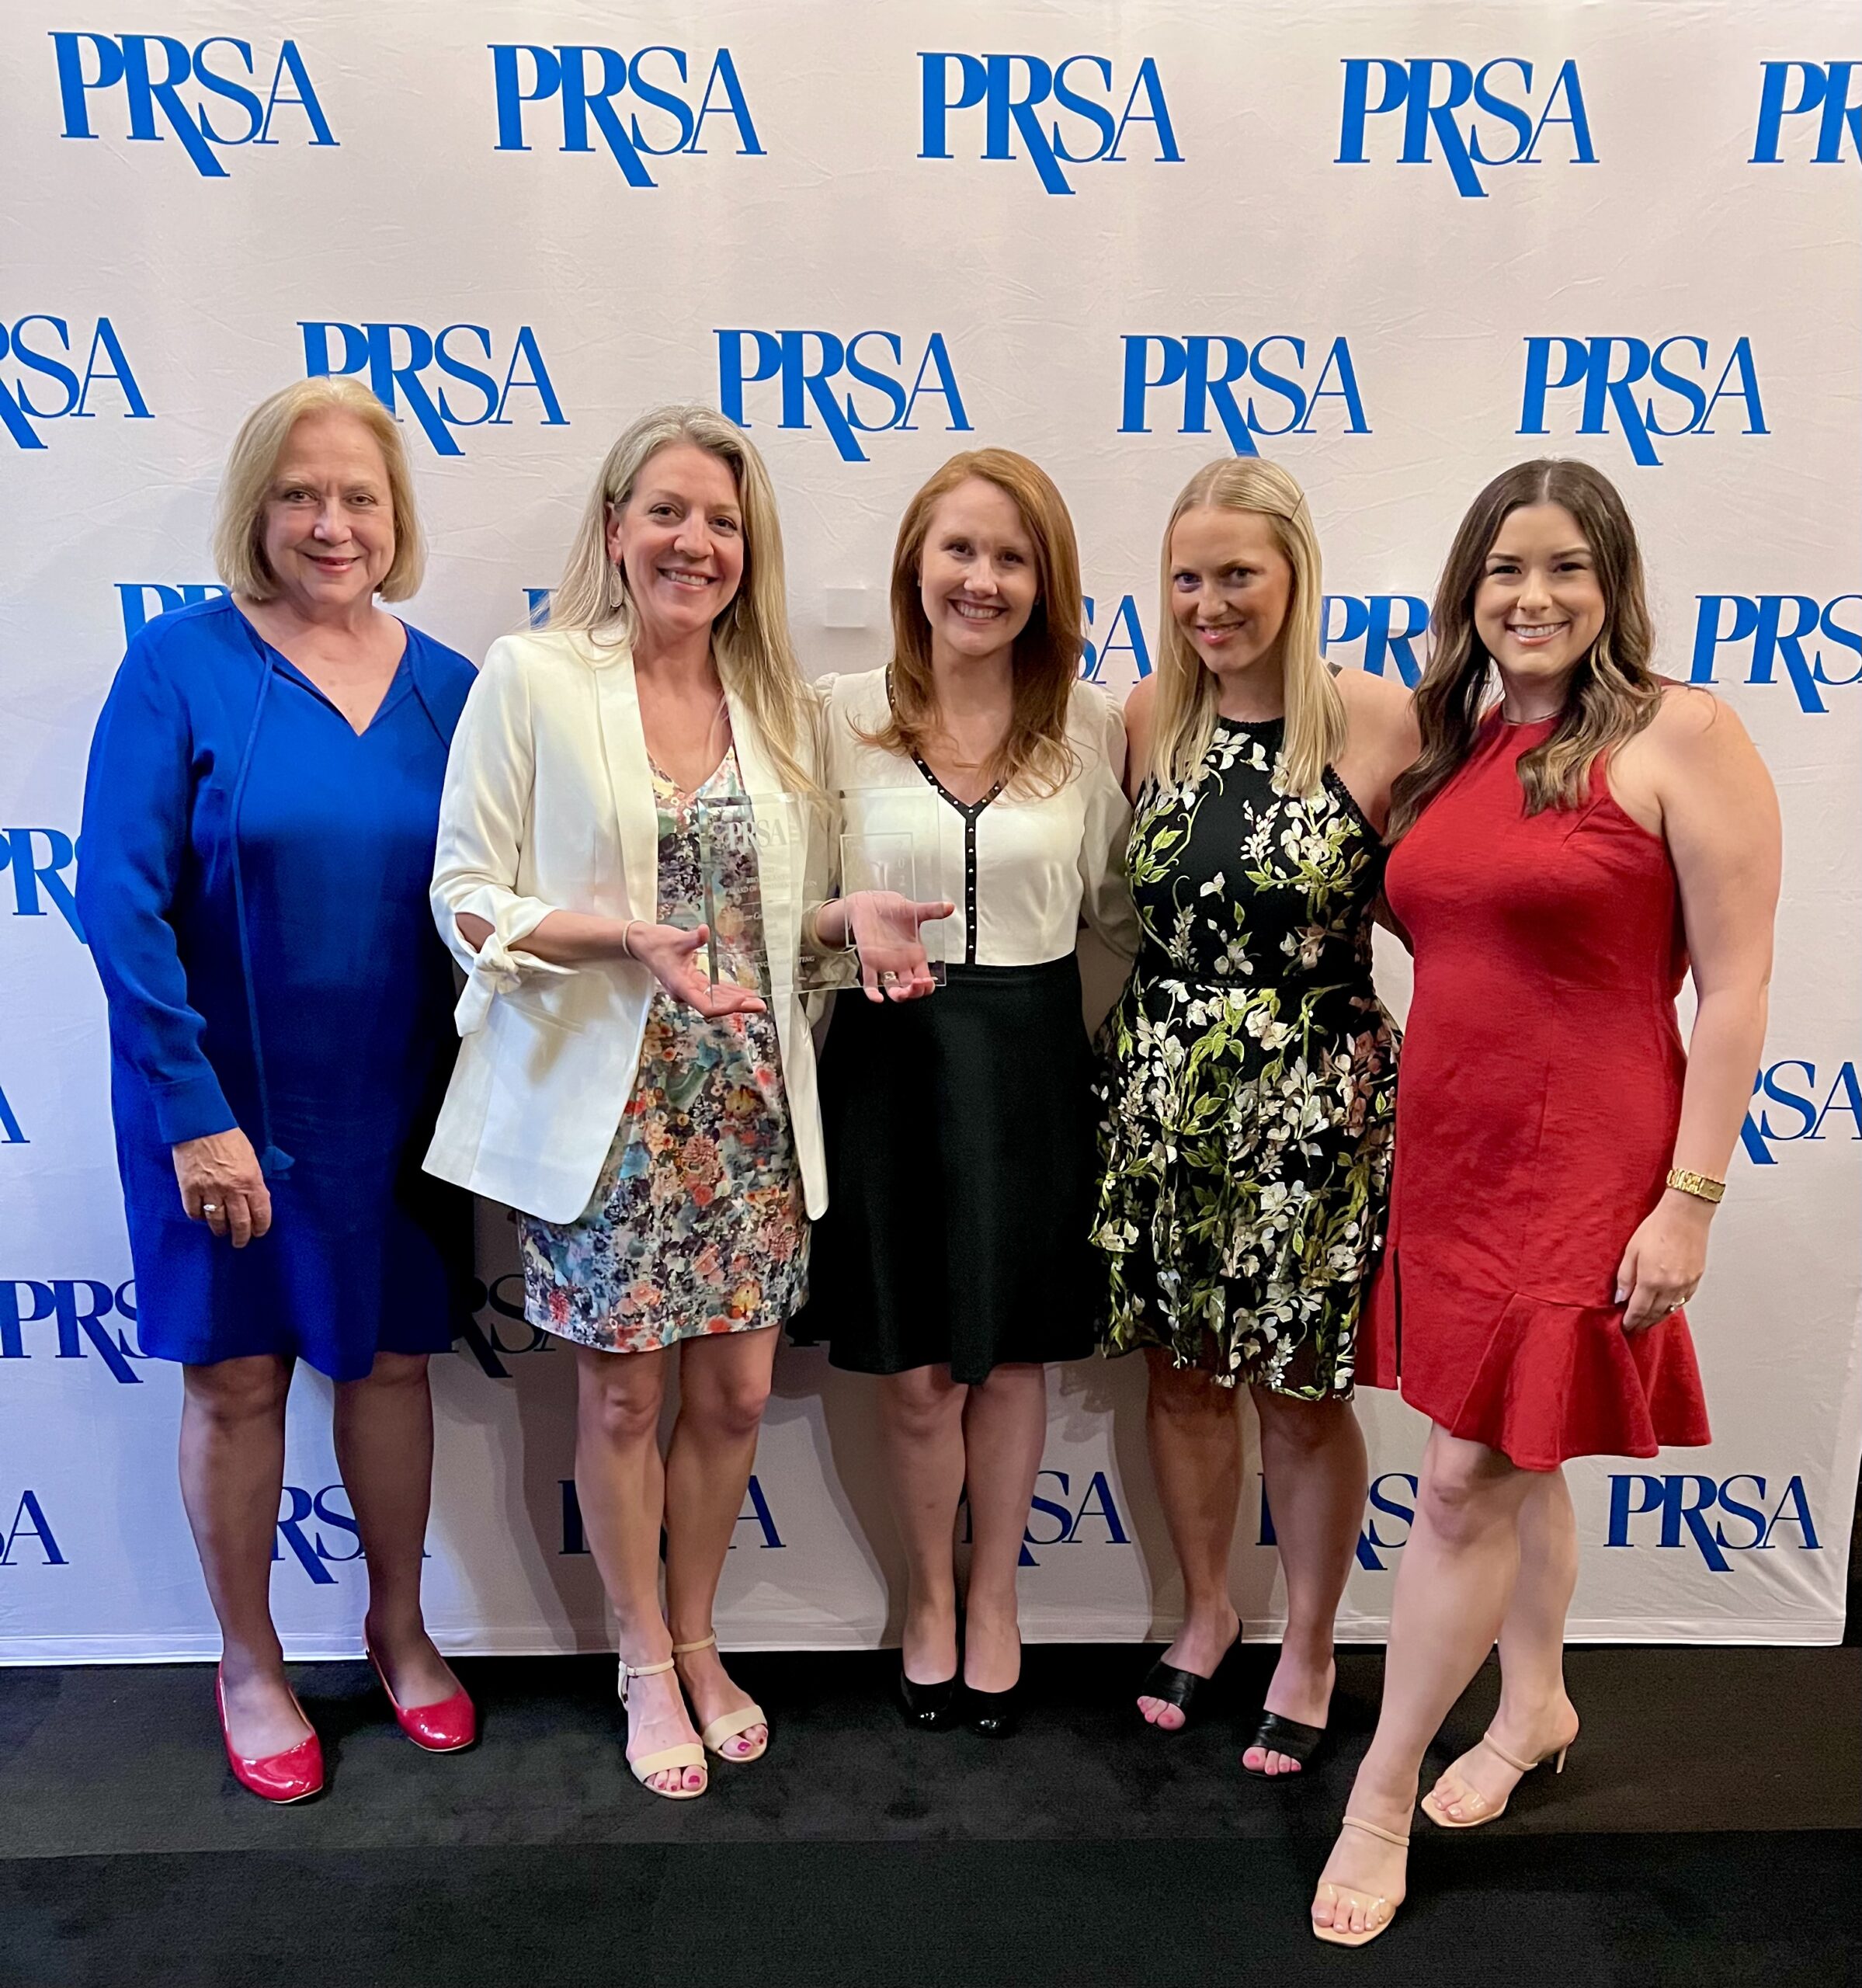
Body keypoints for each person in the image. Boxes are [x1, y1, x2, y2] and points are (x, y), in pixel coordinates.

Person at [1310, 459, 1780, 1947]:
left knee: (1459, 1483)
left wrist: (1689, 1199)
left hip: (1592, 1164)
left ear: (1611, 583)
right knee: (1523, 1453)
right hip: (1446, 1161)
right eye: (1505, 569)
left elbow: (1740, 983)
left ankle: (1377, 1798)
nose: (1533, 596)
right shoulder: (1449, 748)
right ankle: (1531, 1705)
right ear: (1468, 590)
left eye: (1566, 568)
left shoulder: (1680, 733)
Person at [77, 378, 479, 1804]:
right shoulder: (177, 666)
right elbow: (117, 904)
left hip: (398, 1100)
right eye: (301, 494)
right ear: (256, 508)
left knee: (388, 1371)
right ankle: (247, 1660)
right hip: (219, 1101)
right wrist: (194, 1111)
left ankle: (400, 1628)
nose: (331, 523)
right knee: (238, 1376)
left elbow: (493, 901)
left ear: (396, 515)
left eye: (359, 495)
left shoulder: (452, 686)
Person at [426, 405, 825, 1800]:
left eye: (720, 521)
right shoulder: (532, 675)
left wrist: (853, 929)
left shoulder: (777, 706)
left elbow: (778, 927)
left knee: (736, 1397)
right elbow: (463, 897)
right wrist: (618, 938)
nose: (693, 542)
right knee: (617, 1405)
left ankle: (703, 1635)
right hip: (607, 1108)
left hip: (751, 1105)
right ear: (612, 529)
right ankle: (640, 1655)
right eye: (666, 512)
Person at [790, 448, 1141, 1736]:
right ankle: (926, 1602)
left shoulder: (1094, 723)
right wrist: (840, 925)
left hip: (1034, 1061)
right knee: (921, 1372)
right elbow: (793, 908)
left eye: (1009, 557)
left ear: (1044, 584)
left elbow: (1116, 910)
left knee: (1008, 1366)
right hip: (888, 1061)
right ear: (913, 565)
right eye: (958, 550)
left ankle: (997, 1598)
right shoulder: (835, 712)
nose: (980, 580)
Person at [1092, 459, 1418, 1774]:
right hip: (1163, 1096)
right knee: (1179, 1378)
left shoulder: (1374, 721)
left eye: (1236, 575)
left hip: (1314, 1107)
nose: (1209, 603)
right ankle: (1211, 1607)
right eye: (1186, 577)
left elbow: (1440, 914)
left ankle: (1312, 1640)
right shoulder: (1145, 714)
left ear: (1294, 574)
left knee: (1297, 1390)